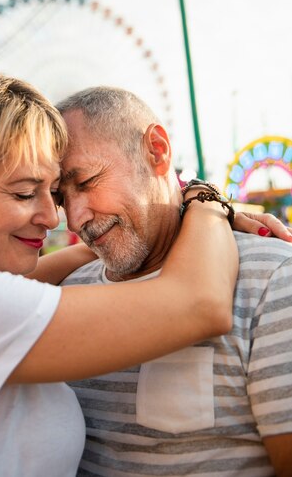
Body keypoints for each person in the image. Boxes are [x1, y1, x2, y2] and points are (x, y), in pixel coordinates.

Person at [0, 71, 242, 477]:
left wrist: (157, 221)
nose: (52, 218)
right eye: (22, 193)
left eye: (52, 195)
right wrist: (205, 201)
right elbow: (200, 303)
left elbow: (37, 279)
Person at [56, 86, 292, 477]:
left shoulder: (272, 278)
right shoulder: (62, 296)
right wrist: (203, 202)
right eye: (61, 198)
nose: (76, 217)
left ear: (157, 150)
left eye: (86, 182)